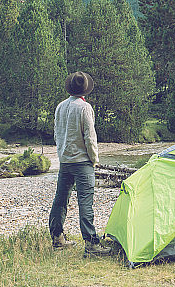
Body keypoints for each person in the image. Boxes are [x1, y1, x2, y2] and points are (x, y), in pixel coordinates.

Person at [49, 71, 110, 256]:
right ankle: (91, 244)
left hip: (65, 161)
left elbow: (56, 134)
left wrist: (62, 154)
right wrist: (95, 159)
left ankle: (57, 238)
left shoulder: (60, 106)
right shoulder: (84, 108)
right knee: (85, 203)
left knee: (60, 200)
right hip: (82, 162)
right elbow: (90, 137)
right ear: (85, 90)